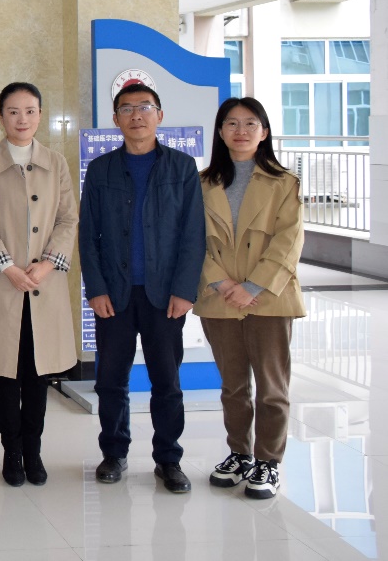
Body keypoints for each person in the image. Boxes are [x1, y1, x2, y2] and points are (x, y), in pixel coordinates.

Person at [80, 83, 204, 493]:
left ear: (160, 116)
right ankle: (114, 452)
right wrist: (95, 288)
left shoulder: (182, 168)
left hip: (164, 295)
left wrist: (185, 290)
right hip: (114, 294)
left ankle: (169, 459)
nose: (137, 115)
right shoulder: (100, 170)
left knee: (166, 382)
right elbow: (88, 236)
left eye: (145, 107)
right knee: (111, 380)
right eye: (127, 108)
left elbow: (193, 234)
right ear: (115, 119)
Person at [0, 82, 78, 488]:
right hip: (3, 285)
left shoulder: (56, 163)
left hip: (45, 285)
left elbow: (68, 219)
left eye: (30, 111)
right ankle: (11, 452)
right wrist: (9, 267)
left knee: (38, 375)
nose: (22, 119)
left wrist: (46, 265)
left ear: (40, 115)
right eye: (13, 111)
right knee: (6, 376)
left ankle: (34, 451)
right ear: (0, 116)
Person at [196, 97, 304, 500]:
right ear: (220, 132)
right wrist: (222, 284)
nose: (240, 131)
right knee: (233, 387)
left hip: (269, 299)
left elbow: (289, 241)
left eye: (250, 123)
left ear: (264, 132)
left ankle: (268, 461)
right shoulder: (202, 183)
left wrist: (253, 286)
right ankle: (239, 454)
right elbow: (192, 241)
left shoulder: (285, 183)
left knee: (272, 388)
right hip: (220, 298)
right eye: (232, 123)